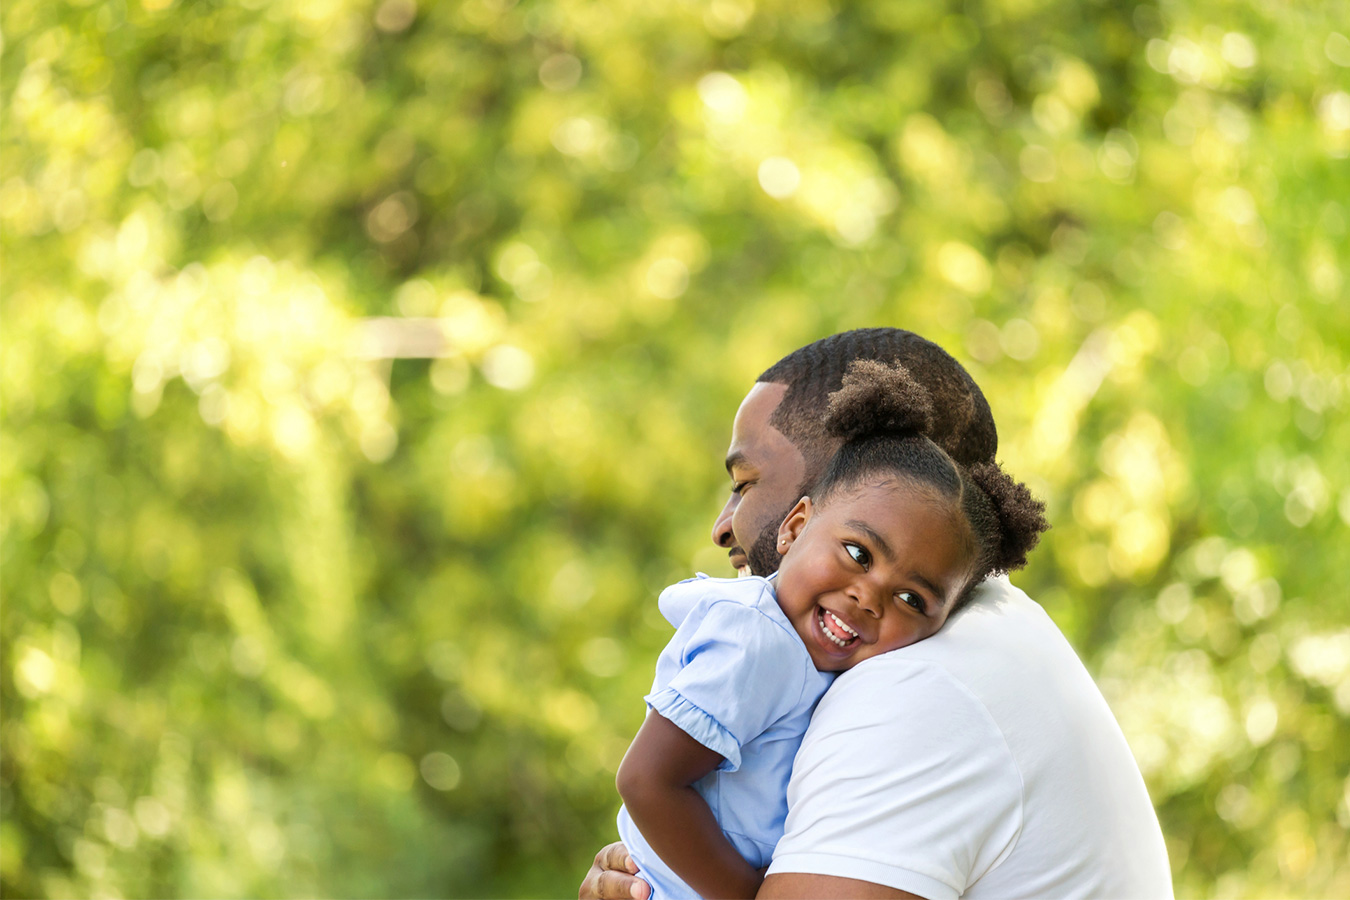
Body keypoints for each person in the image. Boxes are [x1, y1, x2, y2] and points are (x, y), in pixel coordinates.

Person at [581, 329, 1173, 900]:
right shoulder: (967, 633)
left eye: (746, 482)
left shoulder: (914, 687)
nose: (722, 525)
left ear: (829, 490)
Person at [615, 362, 1048, 899]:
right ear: (796, 527)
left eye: (912, 599)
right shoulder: (758, 641)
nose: (869, 596)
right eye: (857, 553)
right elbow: (646, 781)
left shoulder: (847, 668)